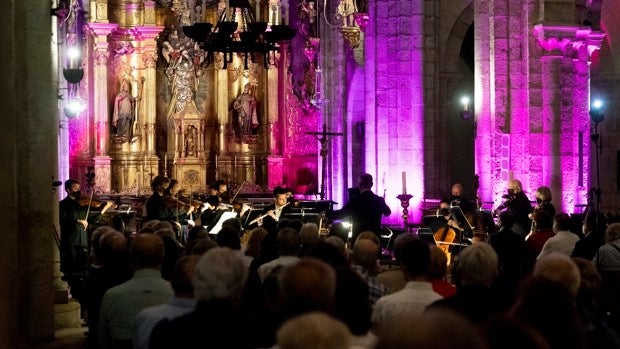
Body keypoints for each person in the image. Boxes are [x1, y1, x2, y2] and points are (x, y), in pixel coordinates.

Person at [98, 234, 173, 349]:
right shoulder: (175, 295)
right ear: (162, 259)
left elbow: (103, 340)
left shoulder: (112, 296)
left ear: (132, 259)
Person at [59, 179, 113, 280]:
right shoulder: (63, 204)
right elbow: (63, 220)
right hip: (70, 240)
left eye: (79, 188)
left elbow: (92, 220)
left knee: (82, 267)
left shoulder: (83, 204)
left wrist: (104, 209)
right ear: (68, 190)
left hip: (83, 240)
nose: (79, 190)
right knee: (71, 267)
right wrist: (78, 221)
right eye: (75, 188)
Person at [328, 173, 391, 244]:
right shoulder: (379, 200)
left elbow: (341, 214)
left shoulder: (355, 200)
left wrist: (326, 214)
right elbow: (388, 212)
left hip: (359, 239)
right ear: (372, 184)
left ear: (359, 184)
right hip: (375, 240)